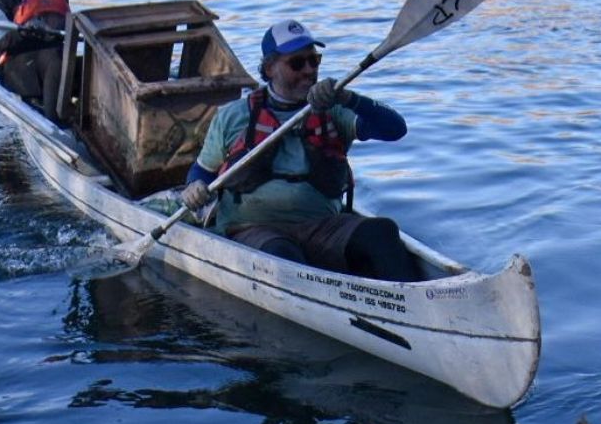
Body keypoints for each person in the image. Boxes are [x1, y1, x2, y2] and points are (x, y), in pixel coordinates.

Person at [180, 19, 424, 282]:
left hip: (322, 226)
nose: (309, 70)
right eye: (297, 63)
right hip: (253, 228)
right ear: (270, 68)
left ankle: (410, 298)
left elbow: (395, 129)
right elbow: (202, 171)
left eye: (314, 61)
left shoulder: (334, 110)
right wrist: (194, 186)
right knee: (282, 255)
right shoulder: (233, 116)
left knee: (382, 232)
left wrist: (349, 98)